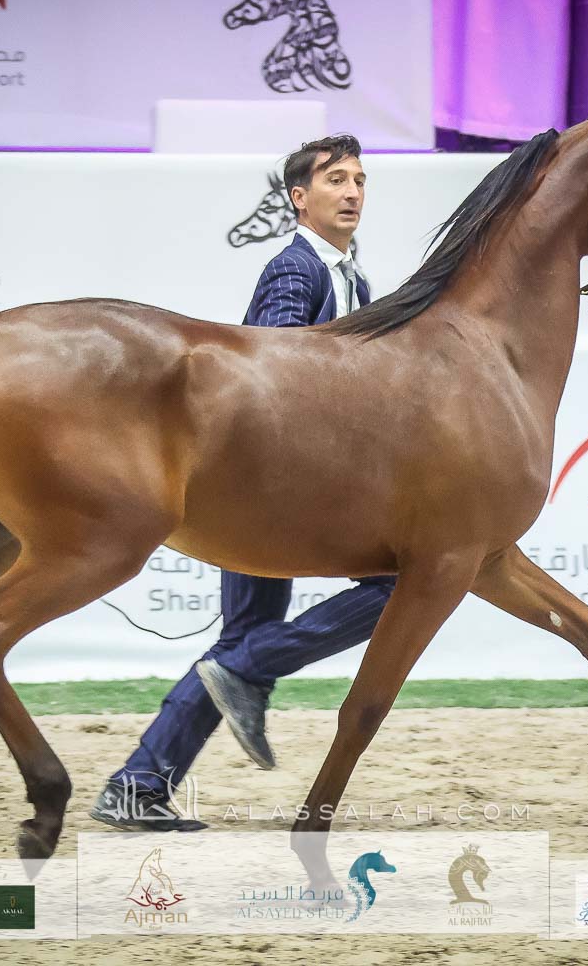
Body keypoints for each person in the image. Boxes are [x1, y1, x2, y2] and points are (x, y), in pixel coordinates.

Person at [90, 134, 396, 831]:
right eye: (336, 180)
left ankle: (137, 786)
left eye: (359, 180)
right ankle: (252, 664)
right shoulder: (295, 270)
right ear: (299, 199)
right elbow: (271, 377)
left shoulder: (355, 279)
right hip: (267, 496)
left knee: (241, 643)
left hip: (272, 492)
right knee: (397, 585)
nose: (352, 191)